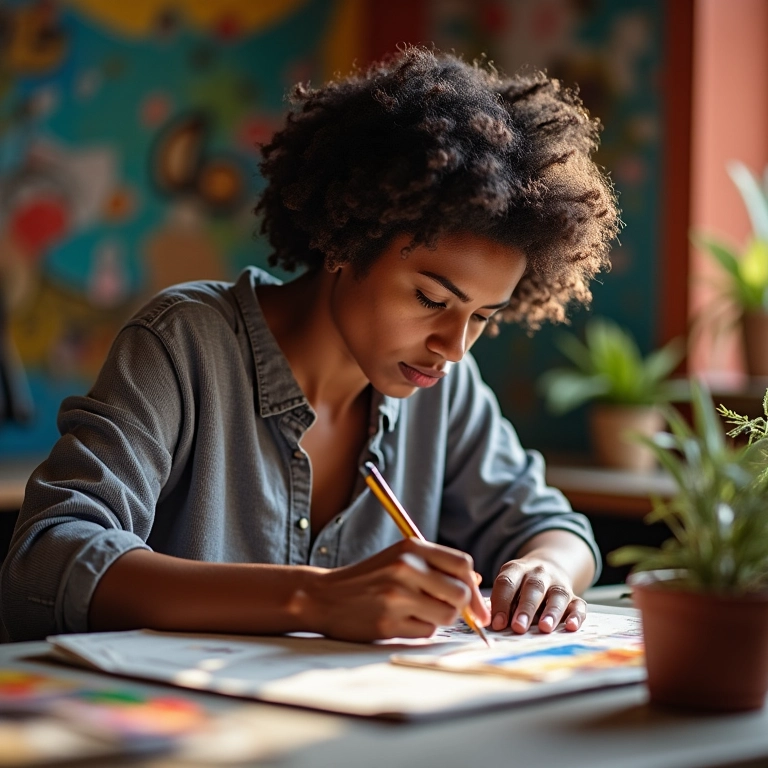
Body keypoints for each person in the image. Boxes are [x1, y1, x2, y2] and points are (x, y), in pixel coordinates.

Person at [0, 47, 619, 643]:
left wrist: (546, 572)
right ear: (344, 243)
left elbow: (553, 528)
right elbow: (46, 561)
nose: (454, 346)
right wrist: (316, 598)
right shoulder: (183, 343)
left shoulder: (444, 389)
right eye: (432, 300)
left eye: (483, 315)